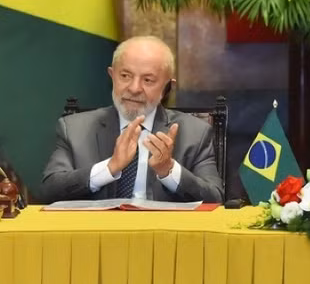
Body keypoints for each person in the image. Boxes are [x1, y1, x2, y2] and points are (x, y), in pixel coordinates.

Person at [41, 36, 223, 203]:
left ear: (168, 87)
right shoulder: (74, 129)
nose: (134, 88)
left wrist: (169, 170)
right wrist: (109, 167)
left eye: (148, 80)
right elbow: (49, 192)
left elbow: (214, 199)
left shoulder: (195, 133)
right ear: (112, 76)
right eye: (125, 76)